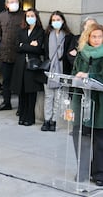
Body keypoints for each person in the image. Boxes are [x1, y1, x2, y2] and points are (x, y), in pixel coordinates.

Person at [71, 23, 103, 185]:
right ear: (88, 37)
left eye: (100, 36)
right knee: (80, 136)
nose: (97, 40)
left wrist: (89, 75)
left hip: (99, 104)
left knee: (99, 140)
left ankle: (99, 173)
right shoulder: (81, 53)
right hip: (82, 100)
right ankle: (83, 170)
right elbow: (73, 73)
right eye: (94, 36)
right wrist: (76, 78)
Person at [10, 8, 44, 126]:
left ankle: (30, 117)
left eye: (32, 15)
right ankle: (22, 116)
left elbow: (38, 48)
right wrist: (28, 45)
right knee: (22, 91)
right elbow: (17, 47)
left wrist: (24, 46)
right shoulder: (21, 30)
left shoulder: (40, 31)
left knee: (31, 92)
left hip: (32, 65)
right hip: (21, 64)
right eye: (28, 16)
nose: (30, 18)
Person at [41, 11, 73, 132]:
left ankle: (54, 120)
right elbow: (44, 52)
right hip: (49, 71)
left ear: (63, 21)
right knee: (48, 97)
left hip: (62, 70)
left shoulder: (69, 36)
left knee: (59, 97)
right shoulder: (47, 35)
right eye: (53, 20)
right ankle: (46, 120)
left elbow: (68, 54)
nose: (56, 22)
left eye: (58, 20)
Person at [0, 0, 24, 111]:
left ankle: (21, 107)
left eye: (15, 1)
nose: (14, 4)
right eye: (11, 2)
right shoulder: (2, 16)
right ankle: (6, 102)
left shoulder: (23, 16)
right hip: (5, 53)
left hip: (18, 54)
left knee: (20, 81)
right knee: (6, 80)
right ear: (6, 4)